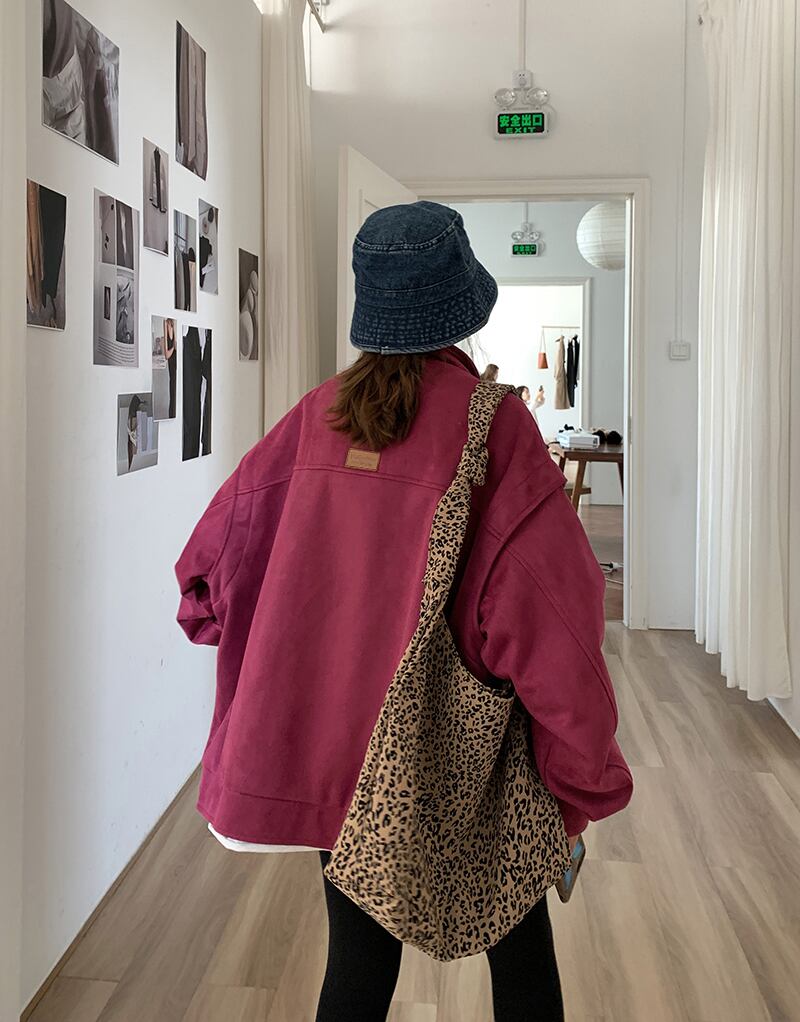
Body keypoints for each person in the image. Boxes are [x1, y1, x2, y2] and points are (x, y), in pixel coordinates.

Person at [175, 201, 633, 1022]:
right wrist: (580, 781)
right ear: (463, 308)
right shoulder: (495, 430)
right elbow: (554, 624)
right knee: (523, 963)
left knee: (356, 969)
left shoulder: (316, 418)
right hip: (472, 759)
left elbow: (207, 576)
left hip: (339, 759)